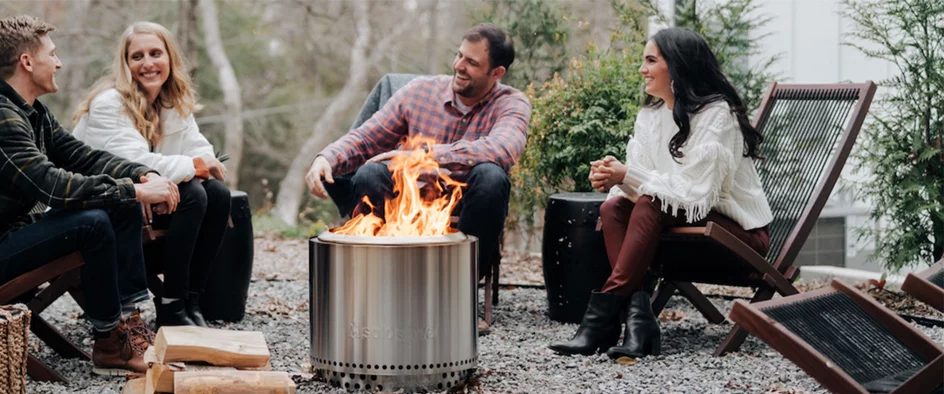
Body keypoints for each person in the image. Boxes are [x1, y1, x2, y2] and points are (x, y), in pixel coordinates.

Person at [0, 15, 180, 374]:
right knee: (94, 221)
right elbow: (53, 186)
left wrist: (141, 174)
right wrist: (136, 190)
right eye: (52, 53)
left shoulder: (29, 111)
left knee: (119, 205)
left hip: (6, 236)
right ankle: (111, 341)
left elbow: (82, 156)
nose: (59, 62)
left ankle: (127, 328)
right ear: (27, 62)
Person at [548, 27, 773, 359]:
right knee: (612, 210)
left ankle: (600, 324)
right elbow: (641, 186)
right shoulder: (651, 115)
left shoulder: (717, 115)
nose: (642, 69)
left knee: (650, 202)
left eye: (651, 60)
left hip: (735, 240)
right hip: (679, 231)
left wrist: (628, 176)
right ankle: (639, 325)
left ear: (678, 66)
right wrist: (616, 176)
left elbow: (695, 192)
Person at [305, 23, 531, 289]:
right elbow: (368, 137)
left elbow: (503, 148)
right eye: (459, 55)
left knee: (493, 176)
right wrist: (326, 158)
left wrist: (426, 155)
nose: (459, 65)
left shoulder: (512, 103)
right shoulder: (420, 91)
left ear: (497, 72)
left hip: (470, 202)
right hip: (409, 197)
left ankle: (461, 289)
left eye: (472, 62)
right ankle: (382, 281)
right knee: (370, 173)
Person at [70, 22, 231, 328]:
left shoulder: (169, 100)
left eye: (155, 53)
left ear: (170, 58)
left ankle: (190, 299)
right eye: (137, 56)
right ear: (125, 64)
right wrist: (196, 166)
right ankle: (171, 306)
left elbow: (197, 146)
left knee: (219, 194)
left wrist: (203, 162)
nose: (147, 63)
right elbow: (134, 161)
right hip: (104, 204)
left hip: (144, 198)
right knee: (193, 194)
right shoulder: (110, 103)